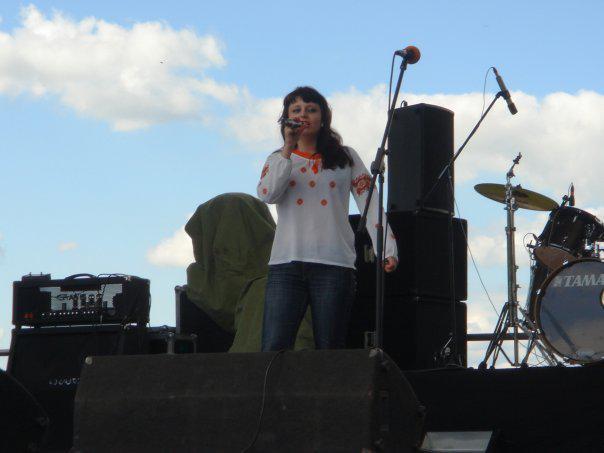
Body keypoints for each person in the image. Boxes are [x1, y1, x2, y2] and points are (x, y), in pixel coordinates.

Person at [257, 86, 398, 351]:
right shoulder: (278, 159)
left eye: (311, 109)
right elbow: (267, 194)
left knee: (330, 348)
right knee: (274, 346)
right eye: (296, 110)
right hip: (287, 262)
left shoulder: (345, 157)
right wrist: (288, 148)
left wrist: (386, 247)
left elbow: (369, 200)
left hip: (334, 263)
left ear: (323, 118)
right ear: (286, 119)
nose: (303, 115)